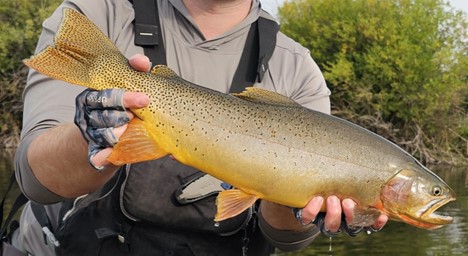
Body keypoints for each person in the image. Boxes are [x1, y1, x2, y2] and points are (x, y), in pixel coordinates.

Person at [13, 0, 388, 255]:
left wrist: (303, 200)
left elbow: (284, 238)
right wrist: (93, 135)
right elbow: (36, 180)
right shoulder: (99, 13)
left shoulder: (296, 69)